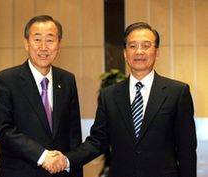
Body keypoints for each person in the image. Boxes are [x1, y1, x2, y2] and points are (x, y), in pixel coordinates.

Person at [51, 22, 197, 177]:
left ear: (157, 52)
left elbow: (186, 150)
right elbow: (97, 141)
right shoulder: (110, 95)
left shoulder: (177, 92)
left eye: (146, 45)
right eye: (133, 46)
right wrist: (67, 160)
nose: (139, 51)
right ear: (125, 53)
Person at [0, 15, 83, 177]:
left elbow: (73, 135)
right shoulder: (5, 80)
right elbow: (2, 129)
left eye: (50, 40)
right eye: (37, 39)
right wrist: (43, 156)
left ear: (59, 44)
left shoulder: (67, 80)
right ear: (26, 43)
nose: (43, 47)